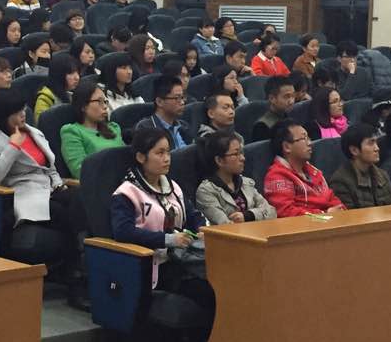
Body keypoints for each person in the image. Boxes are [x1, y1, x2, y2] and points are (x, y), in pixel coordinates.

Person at [0, 89, 82, 301]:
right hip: (26, 195)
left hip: (50, 190)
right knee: (68, 213)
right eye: (16, 112)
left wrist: (59, 186)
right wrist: (13, 146)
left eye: (23, 109)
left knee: (81, 199)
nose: (23, 114)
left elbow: (50, 167)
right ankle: (76, 277)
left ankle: (78, 271)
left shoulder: (34, 133)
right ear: (2, 115)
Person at [111, 125, 213, 319]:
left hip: (183, 258)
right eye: (159, 153)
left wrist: (201, 229)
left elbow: (193, 215)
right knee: (210, 291)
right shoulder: (126, 193)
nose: (167, 158)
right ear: (141, 157)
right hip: (155, 266)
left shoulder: (172, 186)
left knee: (225, 281)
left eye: (168, 152)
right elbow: (123, 232)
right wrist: (168, 240)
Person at [263, 120, 345, 216]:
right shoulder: (276, 176)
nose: (309, 143)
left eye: (308, 138)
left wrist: (341, 211)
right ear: (286, 147)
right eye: (304, 138)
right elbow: (285, 212)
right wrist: (324, 214)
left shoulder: (313, 171)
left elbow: (332, 199)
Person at [195, 131, 275, 226]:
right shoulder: (206, 191)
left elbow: (271, 212)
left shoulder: (246, 183)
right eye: (236, 154)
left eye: (241, 153)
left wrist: (248, 216)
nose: (242, 158)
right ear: (219, 160)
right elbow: (225, 225)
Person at [59, 81, 124, 178]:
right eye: (99, 102)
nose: (105, 106)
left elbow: (126, 159)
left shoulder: (113, 128)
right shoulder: (72, 132)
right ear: (83, 106)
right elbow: (80, 171)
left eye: (105, 102)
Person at [327, 123, 391, 209]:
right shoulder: (340, 181)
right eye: (371, 143)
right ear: (354, 150)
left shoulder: (383, 175)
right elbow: (347, 214)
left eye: (376, 143)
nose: (377, 148)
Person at [135, 75, 189, 151]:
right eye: (177, 98)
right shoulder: (146, 129)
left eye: (182, 97)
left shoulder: (183, 126)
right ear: (159, 102)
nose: (182, 102)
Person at [250, 76, 298, 144]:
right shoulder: (262, 127)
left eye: (293, 96)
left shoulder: (291, 117)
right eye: (287, 96)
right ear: (272, 98)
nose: (291, 101)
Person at [34, 53, 81, 119]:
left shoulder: (71, 95)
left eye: (77, 72)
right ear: (59, 74)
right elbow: (41, 123)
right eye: (71, 73)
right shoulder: (45, 98)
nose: (77, 77)